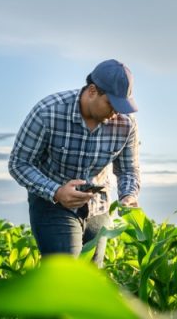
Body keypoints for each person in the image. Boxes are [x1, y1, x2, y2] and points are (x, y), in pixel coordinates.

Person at [8, 59, 141, 256]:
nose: (115, 113)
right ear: (93, 91)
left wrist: (128, 196)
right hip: (53, 204)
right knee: (66, 273)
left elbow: (128, 169)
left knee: (90, 277)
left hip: (98, 205)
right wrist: (57, 192)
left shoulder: (126, 124)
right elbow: (19, 163)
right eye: (111, 104)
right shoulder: (48, 112)